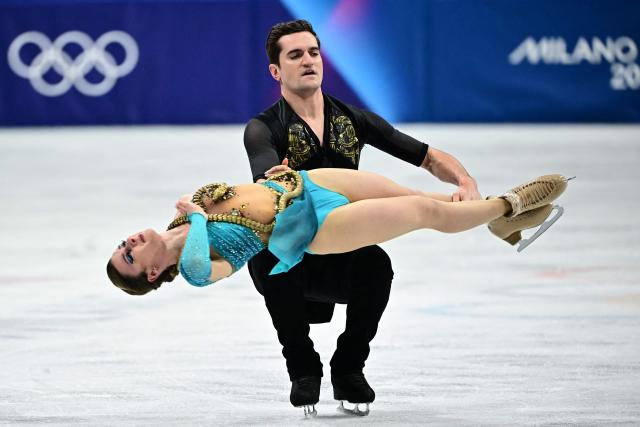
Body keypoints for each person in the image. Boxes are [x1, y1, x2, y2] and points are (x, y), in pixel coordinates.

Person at [242, 19, 486, 415]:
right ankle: (303, 368)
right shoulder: (263, 128)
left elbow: (427, 155)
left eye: (314, 52)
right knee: (266, 258)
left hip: (343, 246)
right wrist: (276, 177)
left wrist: (464, 179)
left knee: (377, 267)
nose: (308, 61)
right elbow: (266, 178)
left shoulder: (353, 120)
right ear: (276, 70)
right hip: (295, 253)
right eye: (296, 55)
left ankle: (349, 367)